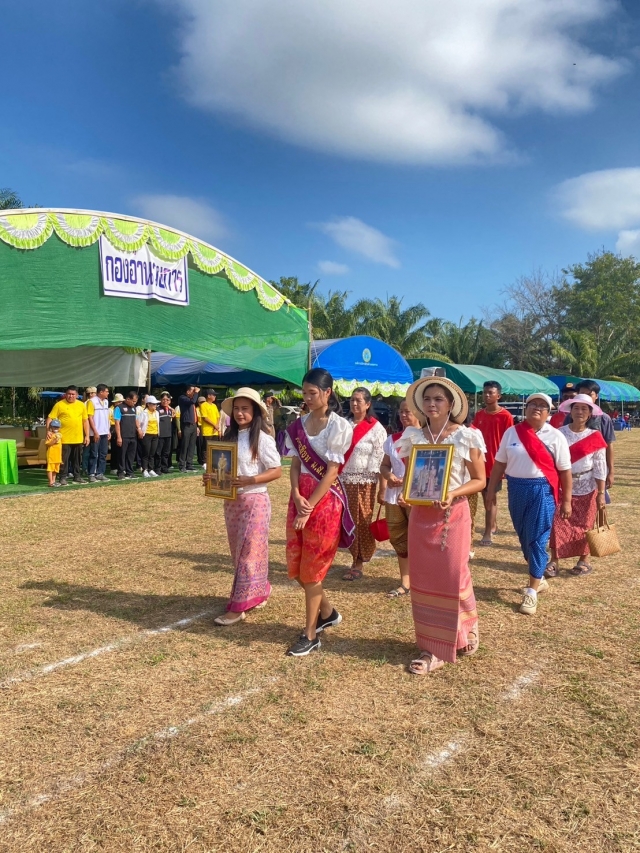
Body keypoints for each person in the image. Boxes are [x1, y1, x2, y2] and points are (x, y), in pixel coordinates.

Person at [395, 377, 486, 675]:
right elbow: (412, 477)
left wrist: (452, 493)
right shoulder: (413, 436)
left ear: (451, 405)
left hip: (454, 515)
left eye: (439, 399)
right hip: (421, 517)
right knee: (424, 581)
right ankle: (433, 646)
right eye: (428, 399)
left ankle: (466, 628)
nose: (432, 404)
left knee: (453, 575)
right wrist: (407, 493)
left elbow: (479, 480)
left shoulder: (466, 437)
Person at [285, 368, 354, 657]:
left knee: (312, 571)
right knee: (297, 567)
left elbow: (332, 471)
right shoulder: (298, 425)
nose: (308, 398)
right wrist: (297, 495)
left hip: (325, 502)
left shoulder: (339, 427)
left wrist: (309, 504)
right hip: (299, 498)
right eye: (305, 392)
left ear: (328, 393)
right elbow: (295, 464)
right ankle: (327, 613)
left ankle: (310, 634)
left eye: (313, 393)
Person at [486, 393, 572, 616]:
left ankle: (531, 591)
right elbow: (499, 464)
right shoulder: (512, 432)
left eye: (542, 405)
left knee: (536, 539)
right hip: (516, 490)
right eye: (533, 403)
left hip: (542, 491)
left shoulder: (555, 436)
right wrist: (491, 490)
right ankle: (539, 577)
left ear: (549, 412)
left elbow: (565, 470)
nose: (537, 408)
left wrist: (567, 501)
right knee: (524, 537)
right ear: (526, 408)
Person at [204, 388, 282, 626]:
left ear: (255, 412)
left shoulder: (263, 439)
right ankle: (259, 589)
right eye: (236, 409)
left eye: (244, 409)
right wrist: (211, 479)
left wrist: (251, 480)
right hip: (232, 503)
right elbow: (220, 468)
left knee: (249, 553)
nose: (239, 413)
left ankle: (239, 607)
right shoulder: (227, 439)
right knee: (239, 553)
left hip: (255, 501)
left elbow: (276, 470)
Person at [547, 394, 607, 577]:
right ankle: (554, 561)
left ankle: (584, 560)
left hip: (588, 487)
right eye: (576, 408)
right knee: (557, 523)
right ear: (570, 411)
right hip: (562, 486)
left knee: (585, 524)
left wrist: (601, 493)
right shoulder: (558, 433)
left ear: (590, 414)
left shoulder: (595, 437)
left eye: (584, 409)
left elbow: (600, 466)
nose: (580, 412)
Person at [341, 387, 388, 581]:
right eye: (352, 400)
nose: (354, 404)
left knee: (361, 520)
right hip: (343, 480)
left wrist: (383, 488)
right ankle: (352, 554)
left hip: (364, 482)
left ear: (368, 404)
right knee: (345, 520)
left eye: (359, 400)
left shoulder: (376, 428)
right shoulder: (343, 425)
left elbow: (381, 459)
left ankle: (359, 560)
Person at [379, 398, 422, 597]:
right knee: (398, 537)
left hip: (419, 496)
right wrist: (389, 476)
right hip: (394, 496)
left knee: (421, 538)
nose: (404, 416)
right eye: (401, 412)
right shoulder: (392, 439)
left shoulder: (428, 440)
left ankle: (423, 580)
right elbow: (384, 465)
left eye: (408, 412)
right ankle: (405, 581)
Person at [471, 381, 514, 546]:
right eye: (485, 392)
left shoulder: (506, 416)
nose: (487, 395)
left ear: (498, 395)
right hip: (479, 463)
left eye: (490, 392)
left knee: (491, 498)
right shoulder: (479, 415)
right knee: (483, 496)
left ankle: (488, 532)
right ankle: (492, 524)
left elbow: (510, 441)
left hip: (495, 464)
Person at [566, 380, 615, 492]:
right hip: (572, 471)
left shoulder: (604, 419)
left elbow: (609, 445)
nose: (585, 397)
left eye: (589, 394)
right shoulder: (570, 417)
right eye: (582, 393)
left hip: (596, 470)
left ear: (596, 396)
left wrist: (611, 471)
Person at [46, 386, 90, 486]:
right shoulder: (59, 405)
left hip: (78, 438)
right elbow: (50, 418)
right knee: (63, 460)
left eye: (73, 394)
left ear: (77, 395)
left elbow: (85, 421)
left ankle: (77, 477)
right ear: (66, 394)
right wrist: (48, 431)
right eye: (69, 394)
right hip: (63, 438)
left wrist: (87, 436)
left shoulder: (81, 405)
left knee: (77, 459)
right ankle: (62, 477)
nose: (70, 396)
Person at [86, 384, 111, 482]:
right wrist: (95, 431)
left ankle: (100, 473)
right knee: (93, 454)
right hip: (95, 433)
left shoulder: (106, 402)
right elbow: (90, 417)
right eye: (107, 391)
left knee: (103, 454)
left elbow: (107, 417)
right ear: (101, 392)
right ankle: (91, 473)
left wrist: (108, 430)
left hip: (104, 432)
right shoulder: (92, 402)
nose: (108, 393)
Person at [113, 390, 139, 479]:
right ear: (128, 399)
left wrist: (138, 429)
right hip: (123, 436)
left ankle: (130, 472)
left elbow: (136, 420)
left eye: (136, 401)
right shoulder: (119, 408)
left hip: (133, 436)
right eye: (133, 401)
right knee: (121, 455)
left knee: (131, 455)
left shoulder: (134, 408)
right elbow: (117, 423)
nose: (134, 403)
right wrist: (119, 437)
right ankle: (120, 472)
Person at [177, 385, 200, 472]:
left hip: (193, 424)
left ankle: (189, 464)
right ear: (188, 392)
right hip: (186, 425)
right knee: (185, 445)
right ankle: (182, 465)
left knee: (191, 445)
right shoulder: (182, 398)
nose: (194, 393)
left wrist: (196, 425)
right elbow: (193, 401)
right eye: (193, 391)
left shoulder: (191, 401)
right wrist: (197, 392)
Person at [139, 395, 160, 477]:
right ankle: (144, 469)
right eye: (153, 404)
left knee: (152, 453)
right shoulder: (144, 413)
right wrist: (140, 431)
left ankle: (151, 469)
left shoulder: (156, 413)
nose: (155, 406)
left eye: (156, 404)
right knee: (146, 453)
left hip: (155, 434)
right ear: (148, 404)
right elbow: (139, 423)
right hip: (147, 435)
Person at [199, 388, 220, 462]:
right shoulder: (203, 405)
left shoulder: (214, 405)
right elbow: (205, 418)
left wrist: (217, 426)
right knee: (206, 447)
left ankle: (214, 461)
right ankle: (205, 462)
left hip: (215, 430)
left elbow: (218, 417)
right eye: (213, 395)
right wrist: (215, 425)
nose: (215, 397)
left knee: (215, 446)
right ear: (208, 396)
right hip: (207, 430)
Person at [156, 392, 174, 474]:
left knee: (166, 453)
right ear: (160, 400)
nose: (165, 401)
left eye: (167, 399)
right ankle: (157, 468)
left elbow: (174, 414)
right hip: (160, 435)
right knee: (158, 453)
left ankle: (164, 467)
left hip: (168, 434)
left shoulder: (170, 410)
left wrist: (170, 407)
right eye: (163, 399)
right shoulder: (157, 409)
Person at [109, 393, 125, 475]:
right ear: (115, 402)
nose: (120, 403)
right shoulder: (111, 410)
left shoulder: (122, 409)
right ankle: (114, 467)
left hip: (121, 429)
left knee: (121, 450)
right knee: (115, 449)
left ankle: (120, 466)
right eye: (118, 402)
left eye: (121, 402)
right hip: (113, 429)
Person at [45, 419, 63, 487]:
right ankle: (50, 482)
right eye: (54, 427)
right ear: (51, 427)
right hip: (51, 455)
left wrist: (61, 458)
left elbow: (60, 446)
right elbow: (47, 444)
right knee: (50, 469)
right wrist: (54, 441)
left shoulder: (60, 435)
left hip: (57, 456)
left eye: (57, 427)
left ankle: (53, 481)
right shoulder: (49, 435)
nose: (56, 428)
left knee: (55, 469)